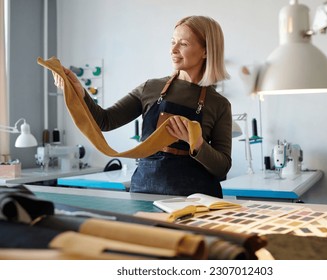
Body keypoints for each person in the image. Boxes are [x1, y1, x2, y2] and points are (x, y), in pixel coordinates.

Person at [52, 15, 232, 198]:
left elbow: (222, 168)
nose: (173, 50)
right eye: (172, 42)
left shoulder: (219, 104)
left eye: (183, 44)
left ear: (206, 51)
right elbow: (104, 121)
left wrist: (197, 143)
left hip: (195, 202)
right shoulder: (151, 88)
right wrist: (79, 92)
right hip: (145, 195)